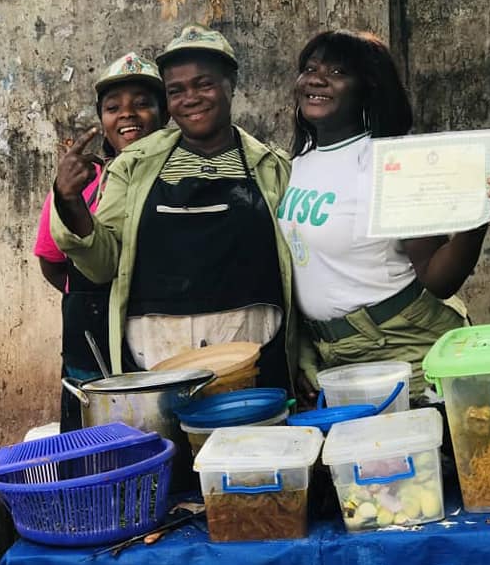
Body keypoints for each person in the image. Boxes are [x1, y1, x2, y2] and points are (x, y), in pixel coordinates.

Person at [278, 29, 490, 404]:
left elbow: (438, 279)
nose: (316, 78)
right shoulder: (293, 165)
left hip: (401, 341)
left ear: (368, 88)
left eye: (338, 72)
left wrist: (481, 214)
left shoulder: (391, 164)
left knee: (426, 458)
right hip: (331, 354)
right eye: (309, 68)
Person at [50, 25, 295, 390]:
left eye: (204, 84)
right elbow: (103, 267)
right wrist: (69, 202)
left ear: (231, 85)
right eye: (176, 90)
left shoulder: (271, 166)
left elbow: (299, 267)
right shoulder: (133, 167)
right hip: (157, 359)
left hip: (256, 356)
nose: (190, 98)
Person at [35, 52, 166, 430]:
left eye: (142, 103)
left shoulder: (177, 174)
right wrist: (96, 296)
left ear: (165, 113)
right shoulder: (80, 180)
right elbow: (50, 259)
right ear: (102, 120)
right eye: (113, 107)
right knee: (94, 445)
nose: (127, 114)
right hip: (90, 341)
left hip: (154, 334)